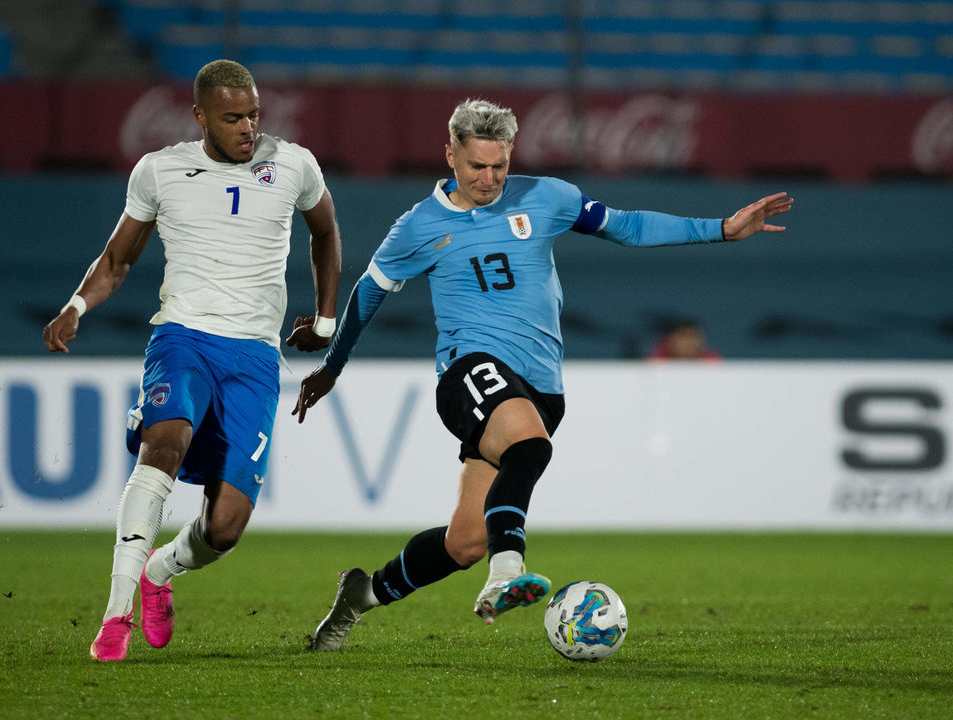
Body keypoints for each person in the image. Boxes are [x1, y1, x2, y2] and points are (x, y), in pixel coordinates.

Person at [291, 98, 792, 651]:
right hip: (470, 370)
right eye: (476, 165)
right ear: (450, 154)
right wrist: (332, 364)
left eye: (499, 166)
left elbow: (625, 226)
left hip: (541, 387)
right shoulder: (419, 225)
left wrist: (721, 227)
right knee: (529, 446)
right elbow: (369, 293)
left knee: (463, 542)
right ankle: (507, 574)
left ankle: (360, 595)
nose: (488, 179)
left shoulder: (547, 197)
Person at [43, 60, 341, 661]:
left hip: (255, 355)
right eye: (233, 117)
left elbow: (325, 232)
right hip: (182, 337)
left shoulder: (293, 164)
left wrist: (327, 316)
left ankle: (159, 571)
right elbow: (117, 259)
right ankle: (116, 614)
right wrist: (77, 304)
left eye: (254, 114)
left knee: (226, 525)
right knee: (165, 444)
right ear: (200, 115)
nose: (248, 127)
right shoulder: (160, 171)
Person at [648, 319, 722, 360]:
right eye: (684, 337)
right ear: (671, 340)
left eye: (694, 336)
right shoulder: (658, 362)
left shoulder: (711, 362)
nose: (689, 342)